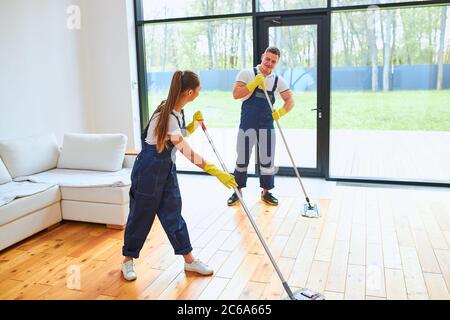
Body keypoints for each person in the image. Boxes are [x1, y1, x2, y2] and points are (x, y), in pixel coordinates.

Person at [122, 70, 237, 281]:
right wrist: (216, 171)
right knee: (141, 215)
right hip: (148, 169)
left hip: (166, 169)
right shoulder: (165, 114)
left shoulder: (177, 111)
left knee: (173, 214)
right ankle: (128, 260)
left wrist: (191, 125)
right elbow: (186, 151)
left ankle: (189, 261)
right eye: (199, 90)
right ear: (190, 92)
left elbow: (175, 137)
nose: (199, 93)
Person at [227, 47, 294, 207]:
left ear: (276, 63)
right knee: (242, 158)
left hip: (267, 125)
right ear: (262, 56)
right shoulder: (247, 73)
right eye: (268, 59)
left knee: (267, 159)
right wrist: (252, 84)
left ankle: (266, 191)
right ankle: (238, 191)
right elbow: (236, 94)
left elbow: (290, 101)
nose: (269, 63)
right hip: (247, 123)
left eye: (273, 61)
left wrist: (281, 112)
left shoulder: (278, 81)